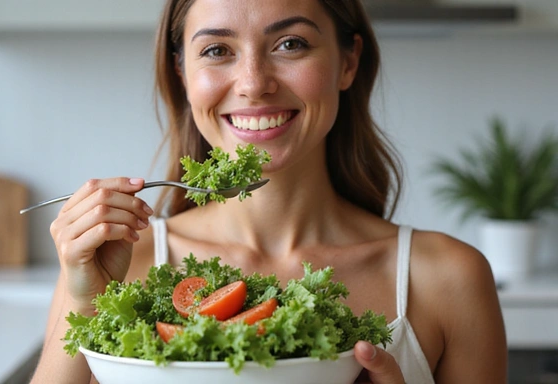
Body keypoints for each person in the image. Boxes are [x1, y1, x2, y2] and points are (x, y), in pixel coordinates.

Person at [30, 0, 508, 383]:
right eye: (217, 50)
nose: (254, 84)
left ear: (348, 62)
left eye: (291, 43)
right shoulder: (118, 264)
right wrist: (84, 303)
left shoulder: (449, 279)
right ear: (182, 73)